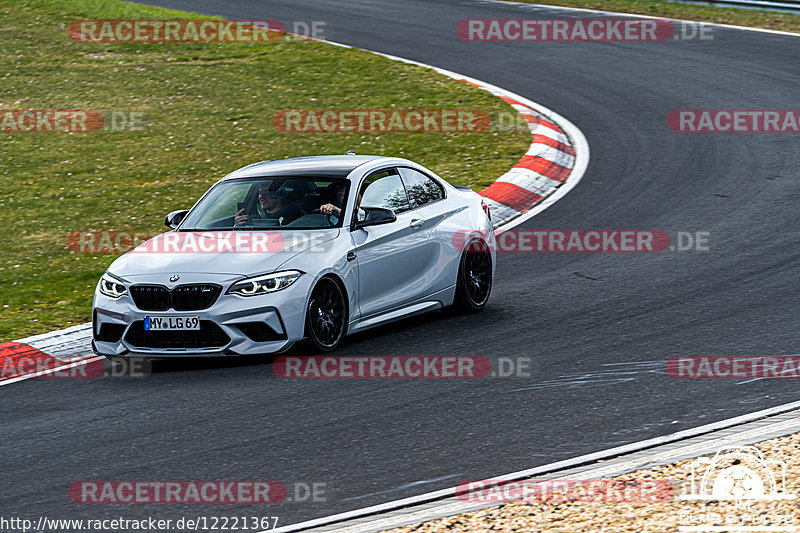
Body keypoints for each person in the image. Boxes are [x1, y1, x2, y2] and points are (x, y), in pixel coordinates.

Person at [235, 184, 301, 226]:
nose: (262, 197)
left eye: (267, 193)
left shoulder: (293, 218)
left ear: (278, 195)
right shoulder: (253, 218)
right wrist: (236, 226)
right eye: (260, 193)